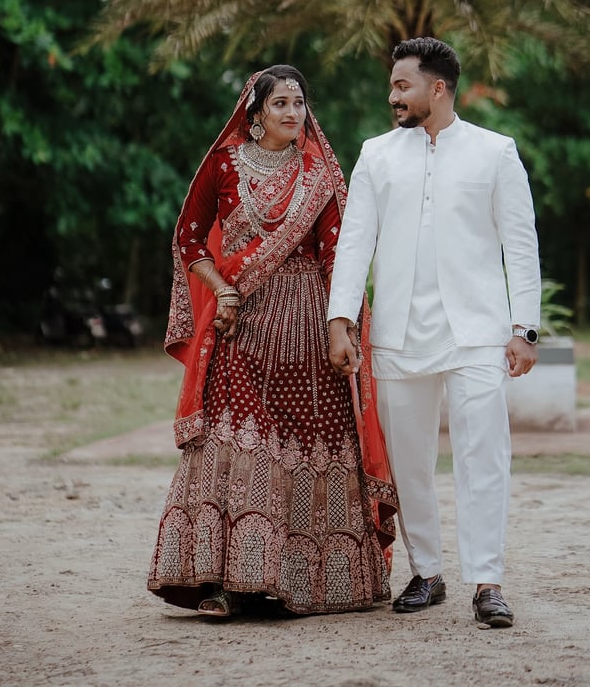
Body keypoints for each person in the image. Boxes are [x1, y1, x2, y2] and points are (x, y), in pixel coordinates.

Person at [148, 65, 397, 619]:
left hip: (309, 335)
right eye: (280, 102)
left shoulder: (319, 176)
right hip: (241, 327)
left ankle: (299, 581)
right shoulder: (223, 164)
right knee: (236, 443)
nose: (292, 112)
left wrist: (341, 327)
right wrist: (221, 289)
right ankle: (222, 582)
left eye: (299, 103)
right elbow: (189, 238)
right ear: (256, 111)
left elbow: (338, 257)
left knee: (307, 445)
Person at [327, 38, 540, 628]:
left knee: (483, 457)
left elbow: (521, 243)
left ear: (437, 88)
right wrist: (340, 320)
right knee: (410, 461)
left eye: (403, 86)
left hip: (478, 332)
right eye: (392, 86)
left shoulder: (495, 152)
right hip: (398, 333)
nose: (392, 96)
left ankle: (488, 582)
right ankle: (427, 572)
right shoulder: (375, 155)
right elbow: (354, 243)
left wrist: (525, 328)